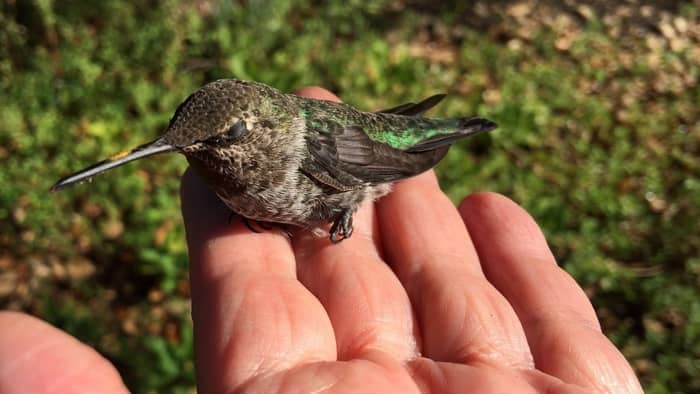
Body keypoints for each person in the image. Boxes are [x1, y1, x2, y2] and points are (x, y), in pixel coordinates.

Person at [0, 88, 642, 393]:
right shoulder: (216, 158)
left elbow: (370, 168)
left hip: (360, 161)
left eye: (215, 141)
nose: (186, 152)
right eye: (182, 138)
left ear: (251, 132)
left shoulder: (305, 150)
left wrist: (344, 208)